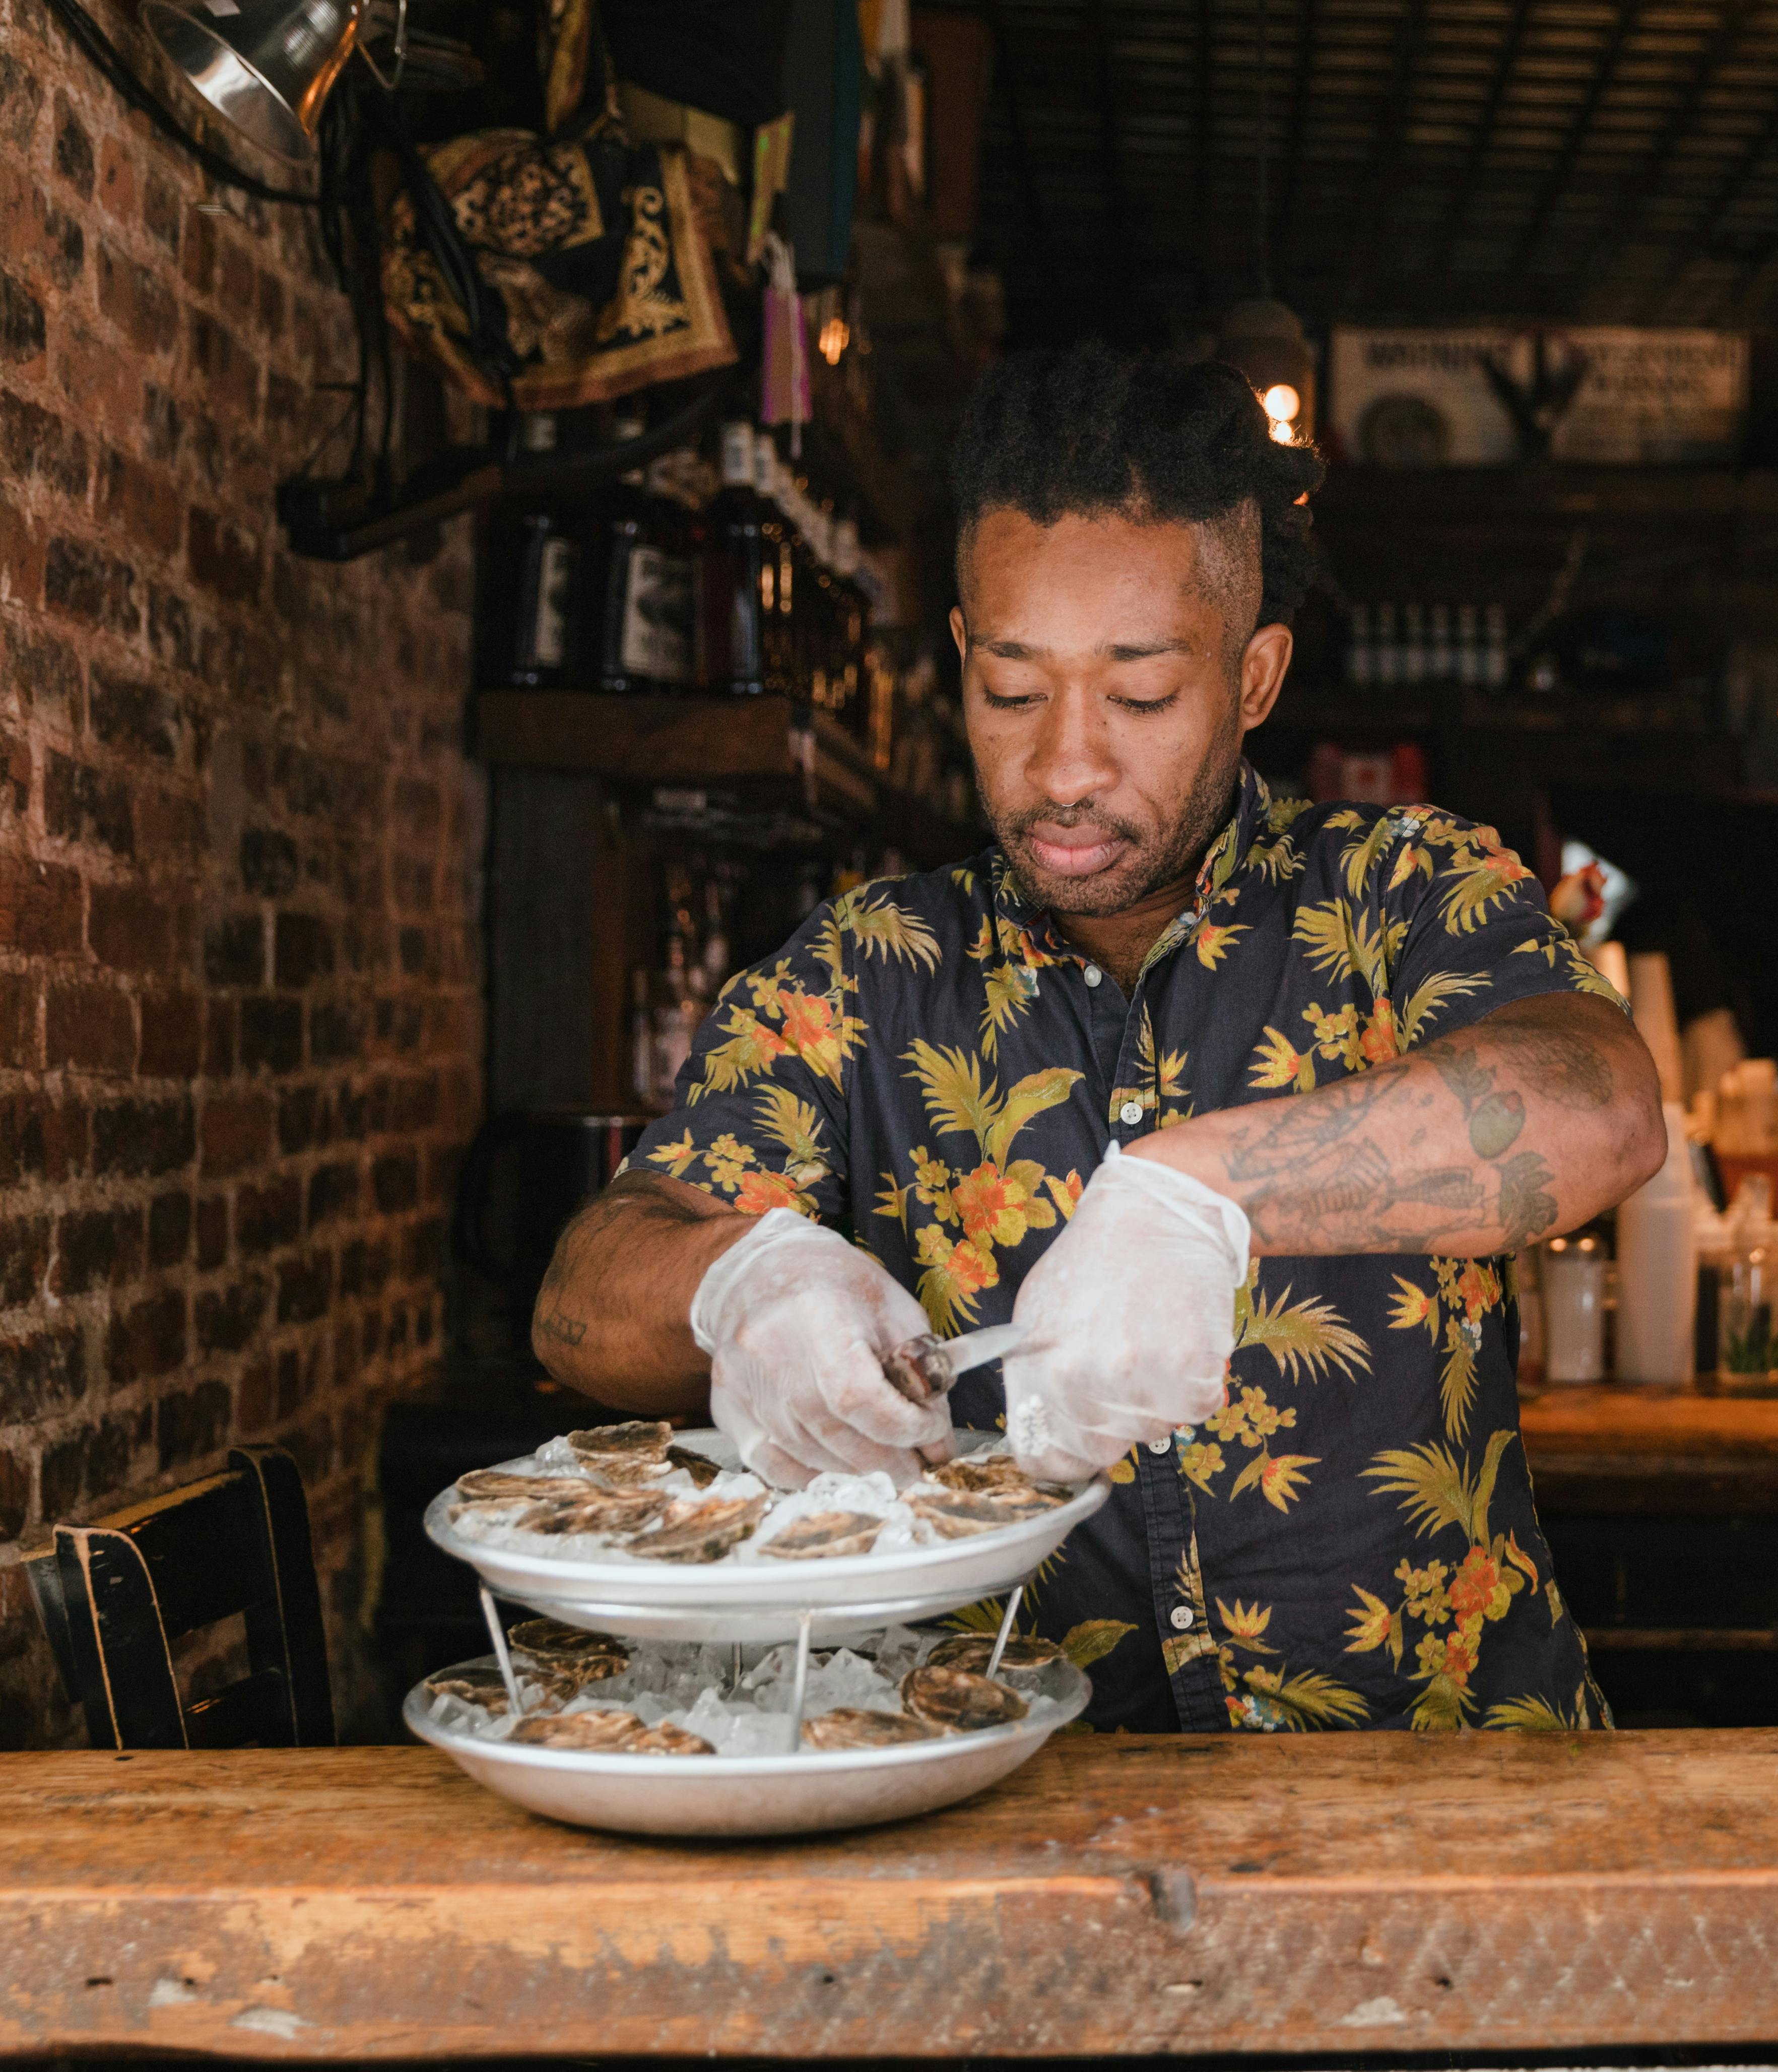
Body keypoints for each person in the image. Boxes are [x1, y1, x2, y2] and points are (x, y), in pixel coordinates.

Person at [531, 342, 1666, 1733]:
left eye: (1138, 696)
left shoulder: (1403, 896)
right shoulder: (866, 974)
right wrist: (741, 1281)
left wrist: (1205, 1191)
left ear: (1253, 681)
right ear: (959, 657)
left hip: (1456, 1806)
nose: (1066, 765)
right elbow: (582, 1301)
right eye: (1015, 693)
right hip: (1025, 1821)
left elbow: (1601, 1108)